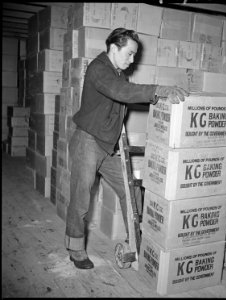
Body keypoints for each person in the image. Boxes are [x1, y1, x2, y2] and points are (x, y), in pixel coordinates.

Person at [65, 27, 188, 269]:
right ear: (113, 48)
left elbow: (118, 104)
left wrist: (118, 142)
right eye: (130, 54)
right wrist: (158, 91)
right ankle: (75, 248)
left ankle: (136, 239)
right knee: (81, 199)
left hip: (105, 146)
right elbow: (121, 93)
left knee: (130, 191)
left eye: (134, 55)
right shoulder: (98, 69)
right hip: (87, 142)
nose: (132, 60)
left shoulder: (118, 75)